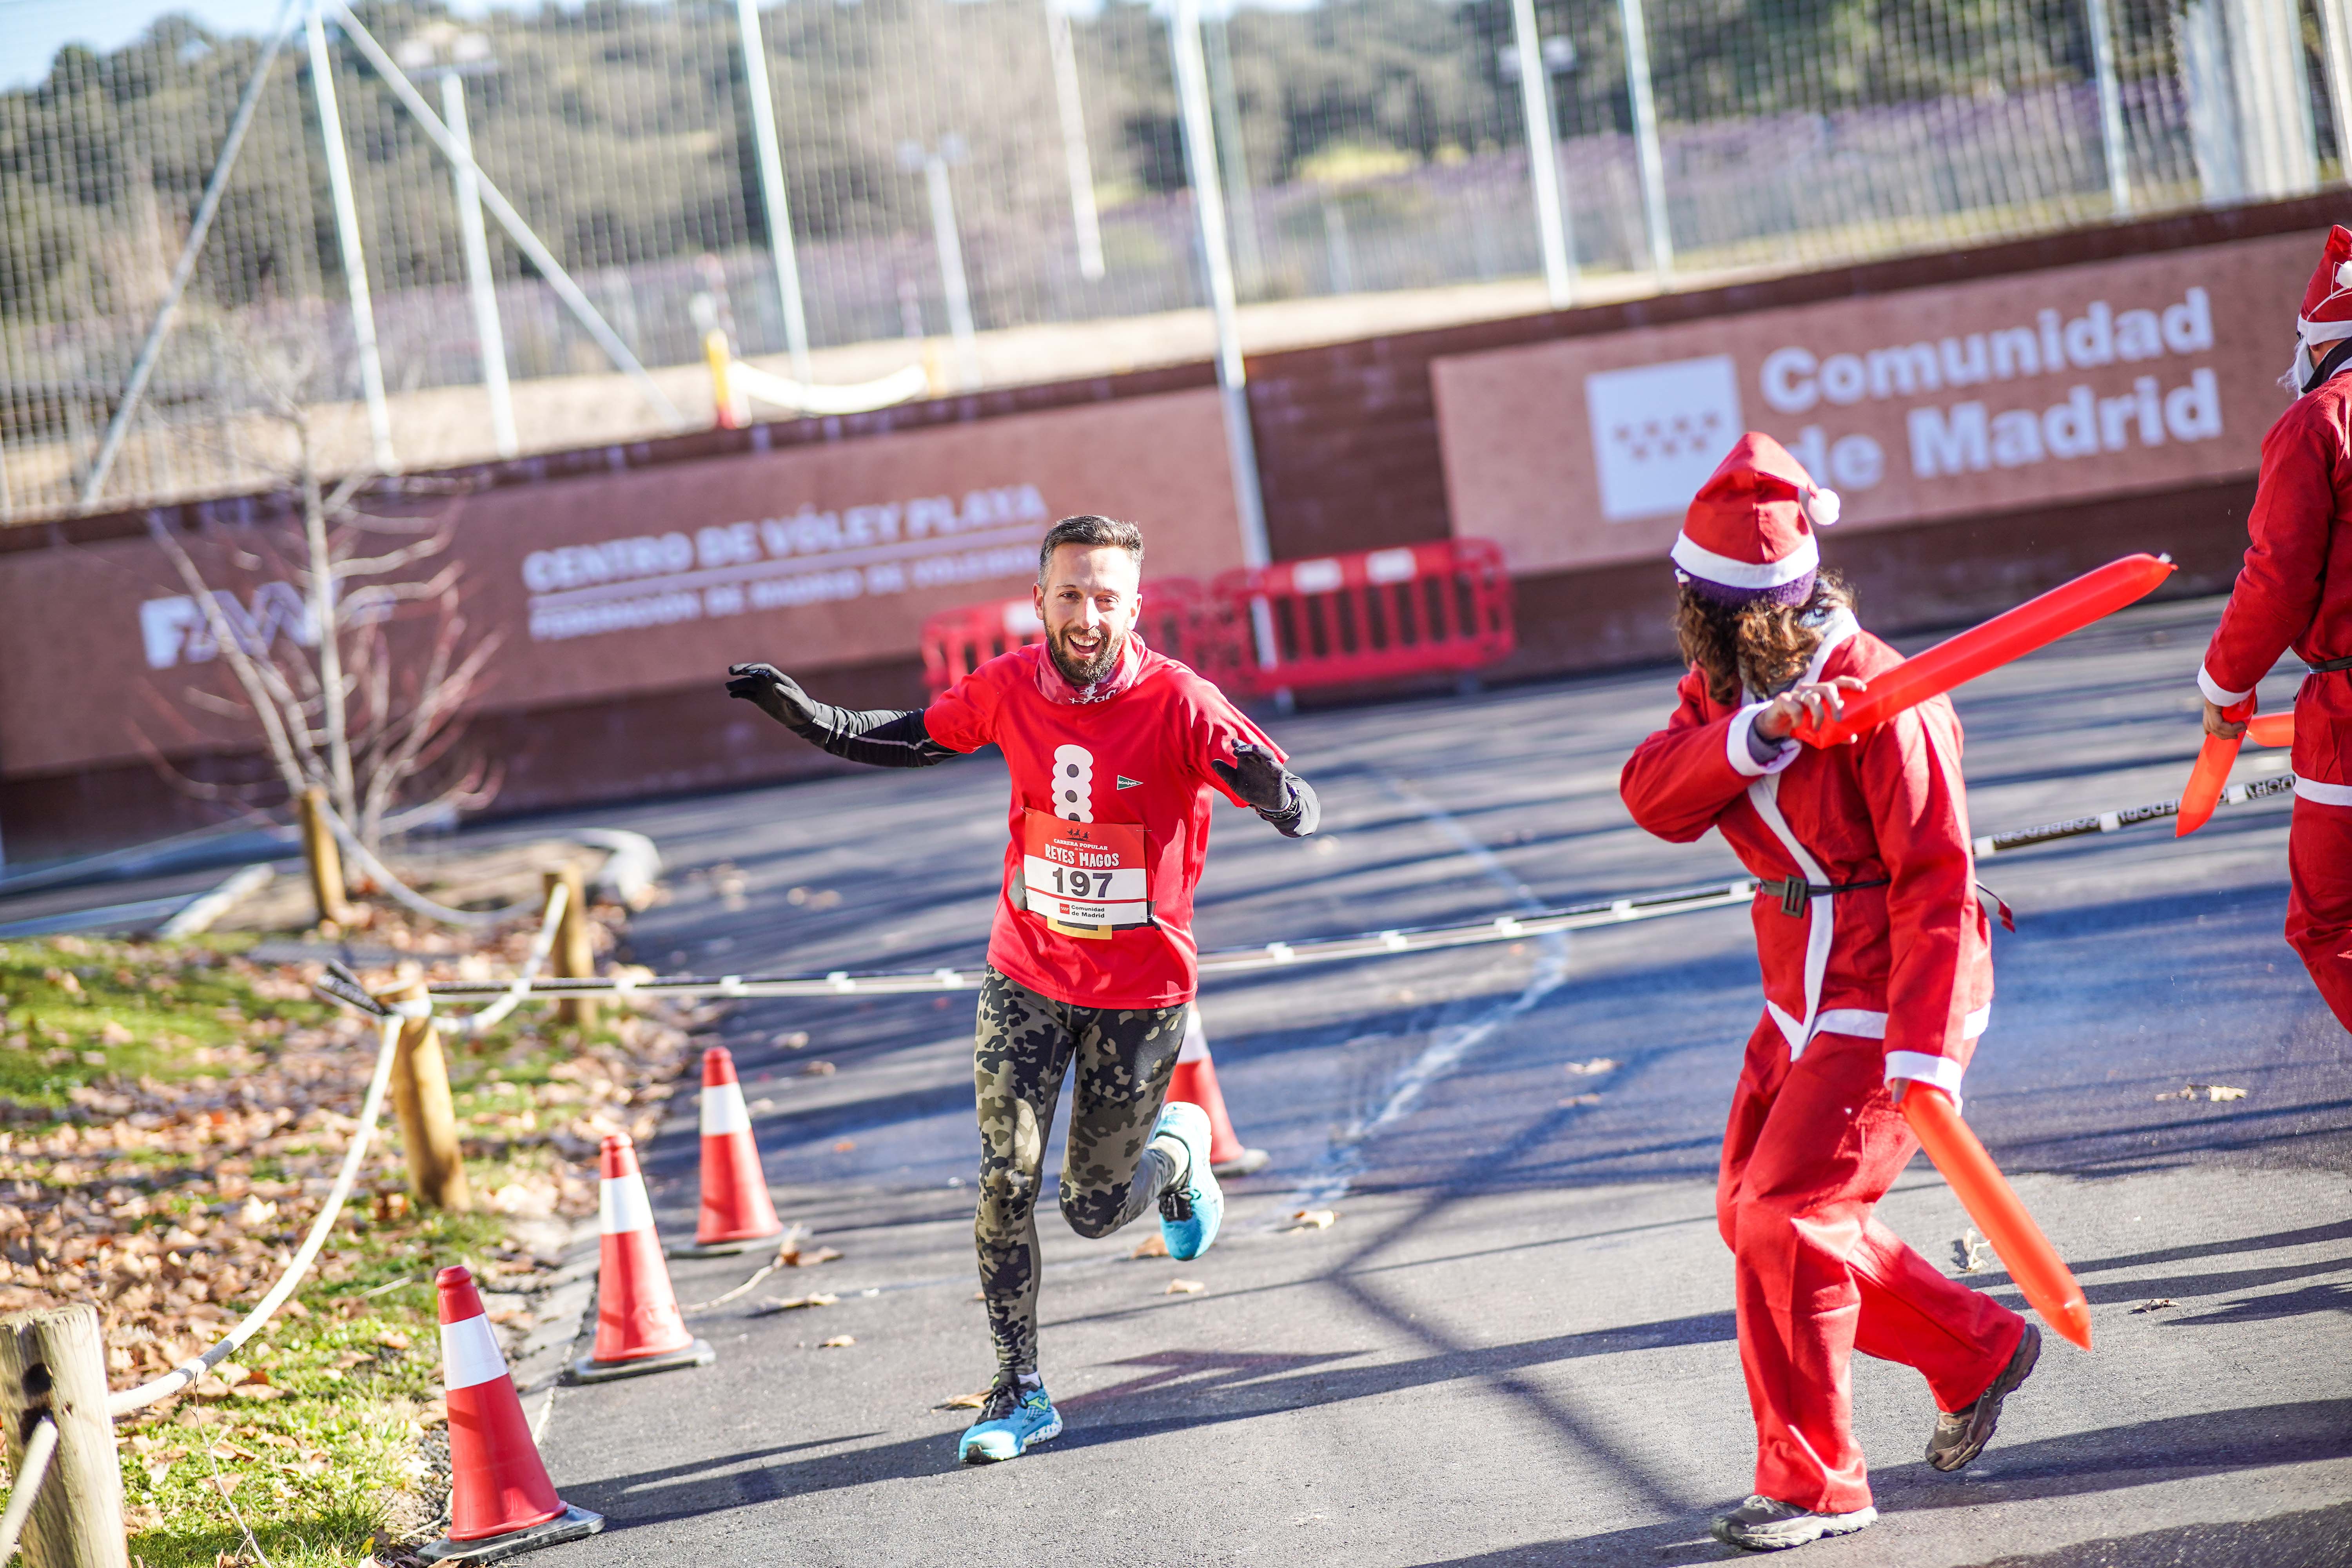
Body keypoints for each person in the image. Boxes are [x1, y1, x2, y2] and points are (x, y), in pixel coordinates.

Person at [725, 514, 1319, 1464]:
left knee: (1091, 1208)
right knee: (1005, 1177)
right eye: (1071, 594)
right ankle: (1020, 1387)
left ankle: (1176, 1155)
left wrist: (1281, 797)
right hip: (1028, 973)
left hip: (1141, 994)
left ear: (1135, 604)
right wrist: (809, 718)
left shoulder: (1182, 702)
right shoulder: (1005, 686)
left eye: (1108, 598)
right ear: (1040, 597)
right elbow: (910, 738)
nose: (1089, 616)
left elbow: (1292, 796)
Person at [1619, 434, 2036, 1552]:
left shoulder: (1886, 696)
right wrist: (1756, 736)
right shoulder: (1729, 696)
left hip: (1885, 992)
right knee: (1748, 1219)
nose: (1683, 626)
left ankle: (1818, 1485)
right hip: (1796, 996)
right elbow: (1652, 794)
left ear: (1726, 612)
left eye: (1692, 608)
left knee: (1791, 1220)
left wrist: (1925, 1057)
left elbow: (1939, 883)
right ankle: (1975, 1348)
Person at [2195, 224, 2352, 1034]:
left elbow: (2277, 579)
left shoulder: (2317, 425)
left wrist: (2224, 686)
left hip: (2350, 714)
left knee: (2330, 924)